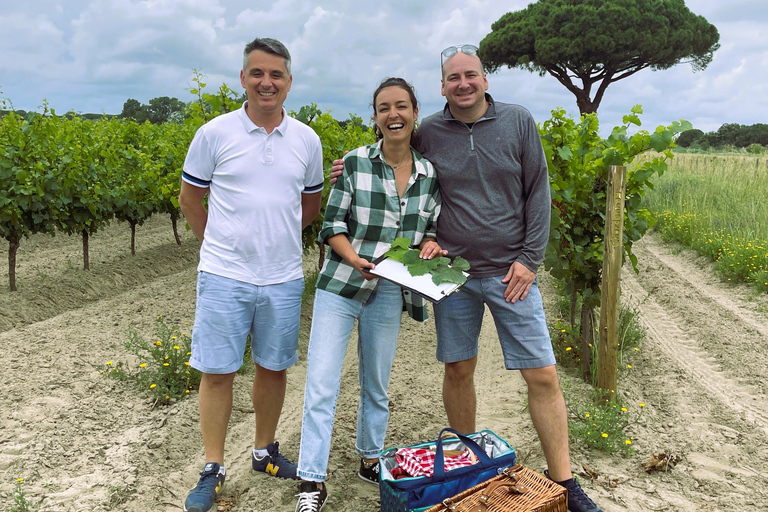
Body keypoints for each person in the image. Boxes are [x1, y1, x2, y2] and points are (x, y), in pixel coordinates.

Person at [329, 45, 603, 512]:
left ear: (485, 79)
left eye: (470, 75)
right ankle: (467, 471)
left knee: (542, 375)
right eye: (453, 77)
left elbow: (539, 191)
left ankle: (567, 482)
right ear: (441, 87)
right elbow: (389, 154)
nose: (462, 84)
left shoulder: (518, 121)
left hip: (511, 273)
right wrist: (346, 167)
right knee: (459, 369)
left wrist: (530, 259)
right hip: (451, 274)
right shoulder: (431, 130)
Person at [178, 37, 324, 512]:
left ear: (288, 82)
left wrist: (271, 238)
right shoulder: (214, 133)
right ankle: (213, 467)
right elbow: (190, 201)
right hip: (223, 275)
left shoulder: (307, 140)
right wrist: (221, 244)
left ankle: (264, 452)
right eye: (258, 73)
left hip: (282, 277)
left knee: (273, 366)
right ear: (243, 78)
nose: (267, 82)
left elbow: (308, 206)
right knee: (218, 371)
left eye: (276, 75)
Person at [294, 77, 444, 512]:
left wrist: (431, 245)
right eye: (383, 108)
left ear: (415, 112)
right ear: (375, 117)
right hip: (342, 285)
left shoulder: (428, 174)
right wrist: (354, 257)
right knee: (322, 384)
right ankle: (311, 480)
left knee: (376, 384)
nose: (393, 114)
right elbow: (331, 225)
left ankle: (370, 458)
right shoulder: (356, 163)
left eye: (401, 106)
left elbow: (429, 231)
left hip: (388, 292)